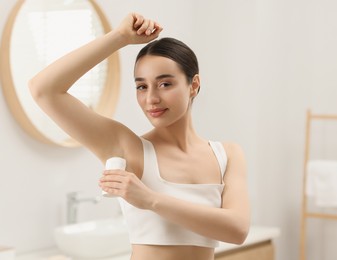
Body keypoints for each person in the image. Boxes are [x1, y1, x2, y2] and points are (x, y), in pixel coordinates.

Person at [29, 13, 250, 260]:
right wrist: (119, 37)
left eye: (165, 84)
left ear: (194, 85)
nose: (151, 99)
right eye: (142, 86)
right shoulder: (127, 147)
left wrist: (151, 200)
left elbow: (237, 229)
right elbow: (44, 90)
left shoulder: (227, 155)